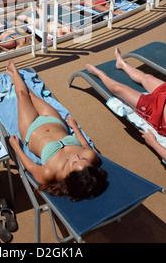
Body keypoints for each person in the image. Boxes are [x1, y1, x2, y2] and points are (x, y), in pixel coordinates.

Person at [7, 60, 107, 200]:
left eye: (74, 162)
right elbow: (84, 145)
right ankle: (15, 79)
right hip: (54, 121)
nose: (76, 156)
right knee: (33, 96)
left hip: (31, 128)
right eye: (81, 158)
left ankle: (14, 72)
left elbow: (31, 166)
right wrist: (74, 127)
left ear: (69, 178)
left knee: (23, 95)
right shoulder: (91, 157)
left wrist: (16, 148)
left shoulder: (49, 173)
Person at [85, 47, 166, 172]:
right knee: (146, 77)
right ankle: (121, 64)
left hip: (158, 111)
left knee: (119, 89)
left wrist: (153, 143)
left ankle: (100, 74)